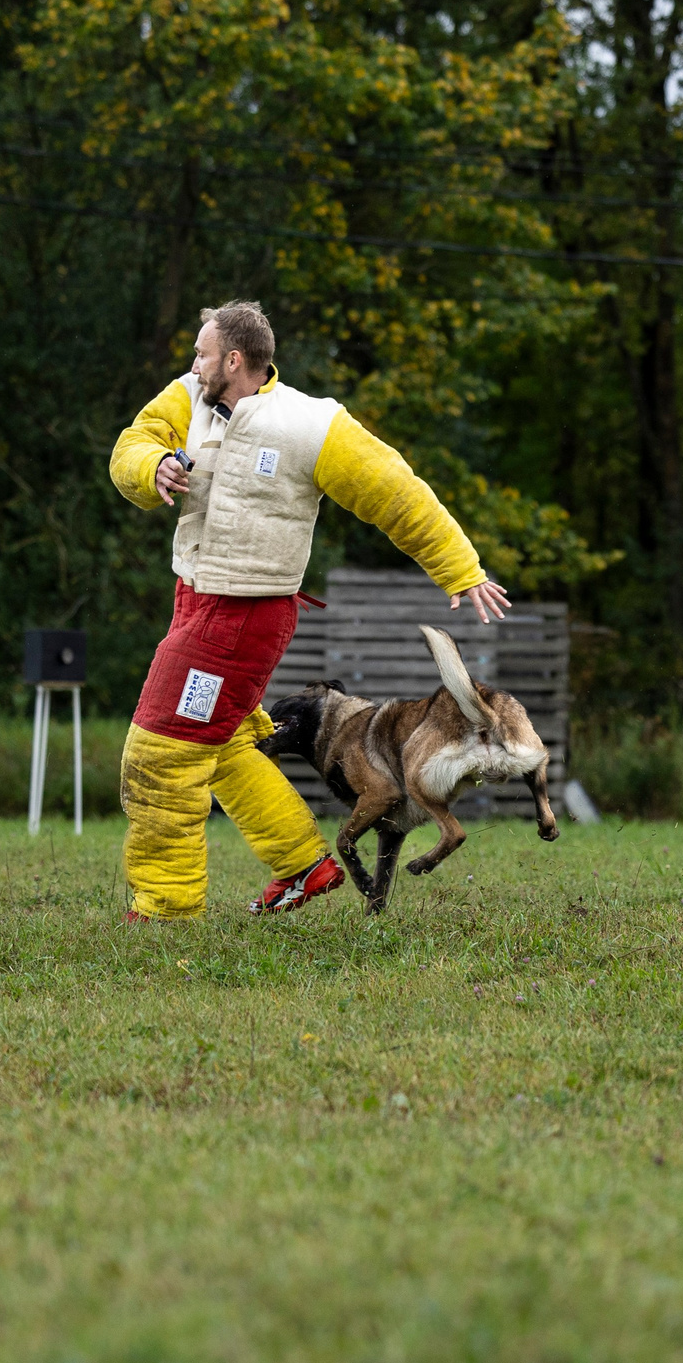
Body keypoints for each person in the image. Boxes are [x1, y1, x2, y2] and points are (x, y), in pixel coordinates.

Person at [109, 301, 511, 918]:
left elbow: (397, 493)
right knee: (222, 744)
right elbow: (133, 443)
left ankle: (165, 908)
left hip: (242, 618)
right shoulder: (186, 396)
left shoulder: (311, 425)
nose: (192, 364)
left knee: (162, 752)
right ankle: (304, 865)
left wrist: (460, 569)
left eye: (201, 354)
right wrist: (152, 466)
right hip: (193, 600)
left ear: (234, 360)